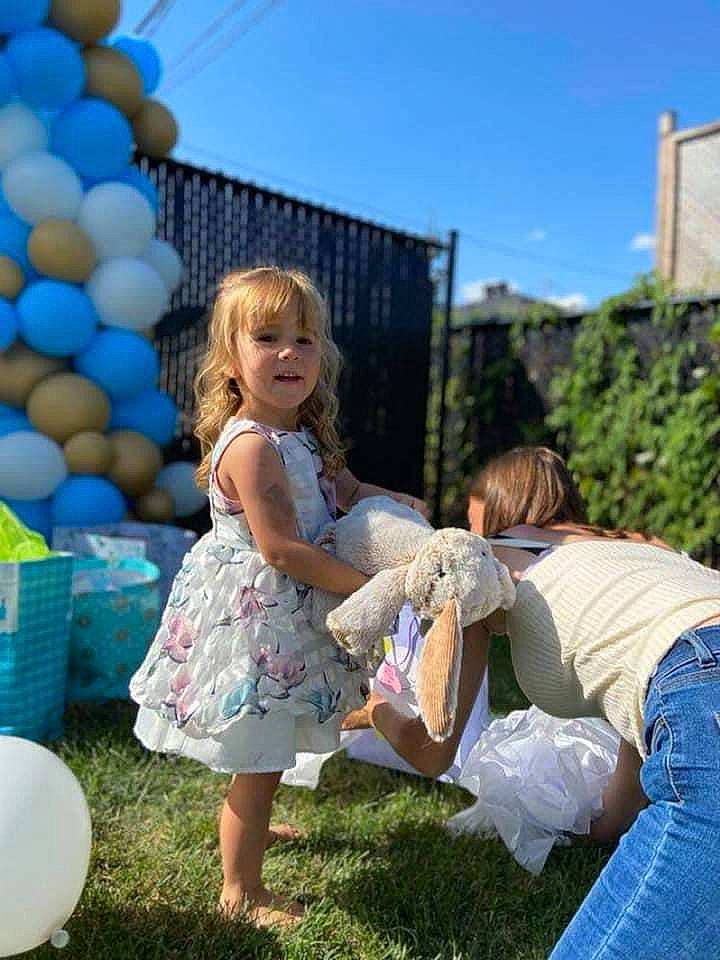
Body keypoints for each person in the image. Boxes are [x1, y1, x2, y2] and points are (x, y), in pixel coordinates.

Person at [129, 266, 427, 927]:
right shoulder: (251, 446)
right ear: (231, 360)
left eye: (305, 338)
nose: (289, 353)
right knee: (259, 758)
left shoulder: (304, 435)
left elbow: (344, 493)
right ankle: (241, 894)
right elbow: (282, 550)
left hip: (290, 610)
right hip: (259, 621)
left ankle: (255, 832)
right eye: (268, 337)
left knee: (278, 740)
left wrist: (394, 500)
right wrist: (376, 588)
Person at [366, 445, 720, 958]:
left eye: (472, 519)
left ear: (492, 515)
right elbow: (637, 709)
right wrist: (607, 825)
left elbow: (433, 748)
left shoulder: (484, 561)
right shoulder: (644, 548)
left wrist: (373, 704)